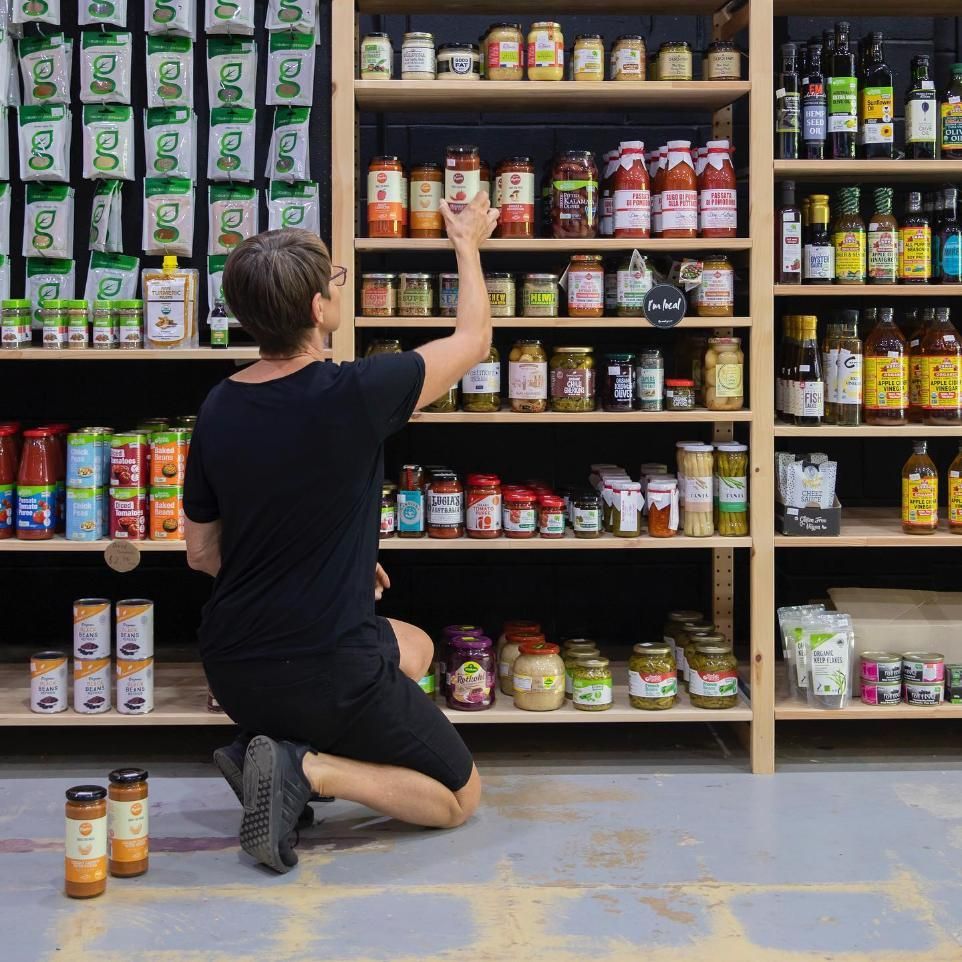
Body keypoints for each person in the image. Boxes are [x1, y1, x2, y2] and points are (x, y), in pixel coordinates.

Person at [183, 192, 499, 874]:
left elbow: (201, 552)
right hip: (325, 667)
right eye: (331, 284)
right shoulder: (359, 390)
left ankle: (261, 751)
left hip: (234, 667)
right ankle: (309, 766)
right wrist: (467, 242)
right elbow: (474, 341)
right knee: (458, 797)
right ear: (319, 313)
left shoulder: (217, 407)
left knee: (412, 646)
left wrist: (328, 564)